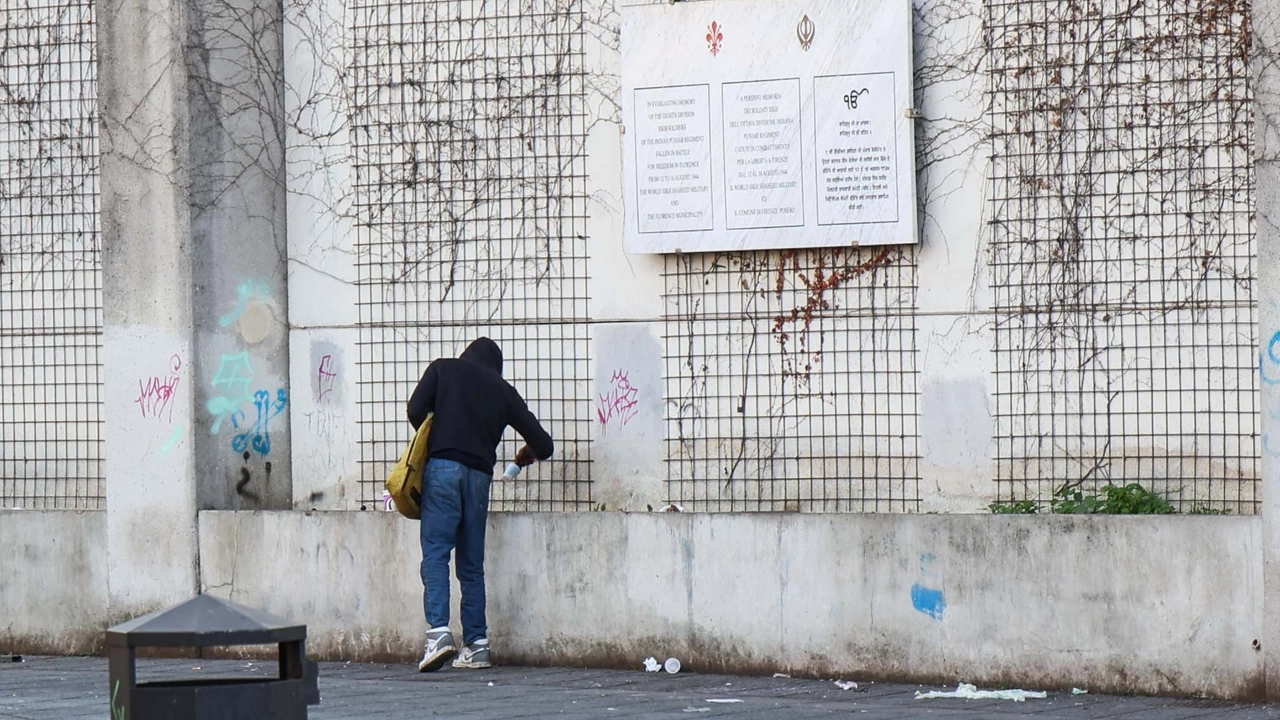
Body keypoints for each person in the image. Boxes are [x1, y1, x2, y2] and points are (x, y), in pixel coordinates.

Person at [406, 337, 553, 672]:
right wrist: (523, 457)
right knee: (471, 563)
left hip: (442, 467)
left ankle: (439, 634)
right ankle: (477, 645)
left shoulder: (443, 368)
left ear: (466, 356)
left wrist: (438, 434)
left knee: (437, 552)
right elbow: (543, 445)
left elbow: (415, 409)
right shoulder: (503, 390)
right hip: (479, 477)